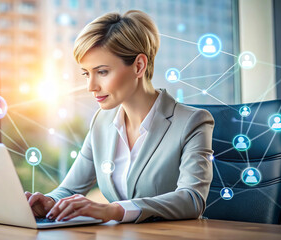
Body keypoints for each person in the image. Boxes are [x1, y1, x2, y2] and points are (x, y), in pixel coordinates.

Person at [25, 10, 214, 224]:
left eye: (102, 72)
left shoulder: (193, 122)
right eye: (86, 73)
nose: (91, 86)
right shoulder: (102, 122)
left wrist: (113, 211)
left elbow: (192, 199)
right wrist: (49, 203)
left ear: (139, 66)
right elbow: (70, 189)